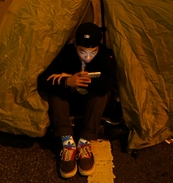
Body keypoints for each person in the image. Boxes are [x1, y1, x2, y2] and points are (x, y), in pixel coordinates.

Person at [37, 22, 115, 179]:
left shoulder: (105, 54)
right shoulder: (65, 53)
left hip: (92, 105)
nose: (87, 57)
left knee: (102, 92)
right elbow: (43, 80)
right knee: (56, 89)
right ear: (75, 46)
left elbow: (111, 81)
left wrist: (90, 82)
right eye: (82, 51)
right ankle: (67, 143)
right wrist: (67, 82)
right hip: (68, 103)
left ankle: (85, 141)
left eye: (92, 52)